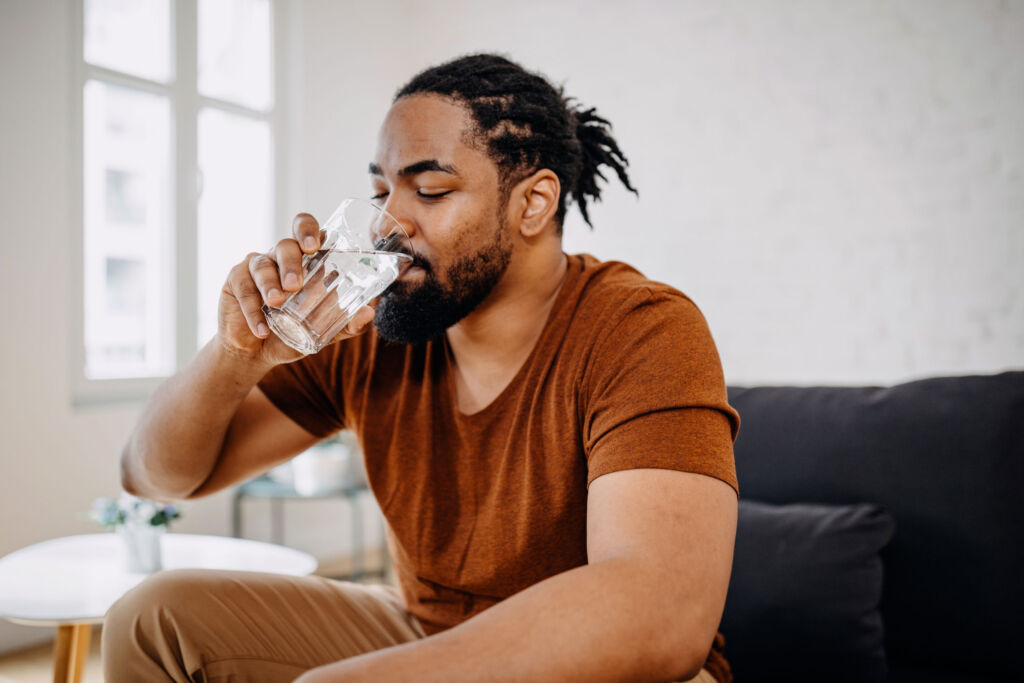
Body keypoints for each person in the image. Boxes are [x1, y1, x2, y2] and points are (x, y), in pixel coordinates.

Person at [102, 53, 741, 683]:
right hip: (428, 630)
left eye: (430, 190)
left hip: (604, 663)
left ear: (534, 203)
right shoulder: (373, 327)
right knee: (152, 619)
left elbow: (663, 613)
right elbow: (154, 476)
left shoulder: (642, 329)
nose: (388, 223)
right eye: (382, 190)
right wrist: (236, 357)